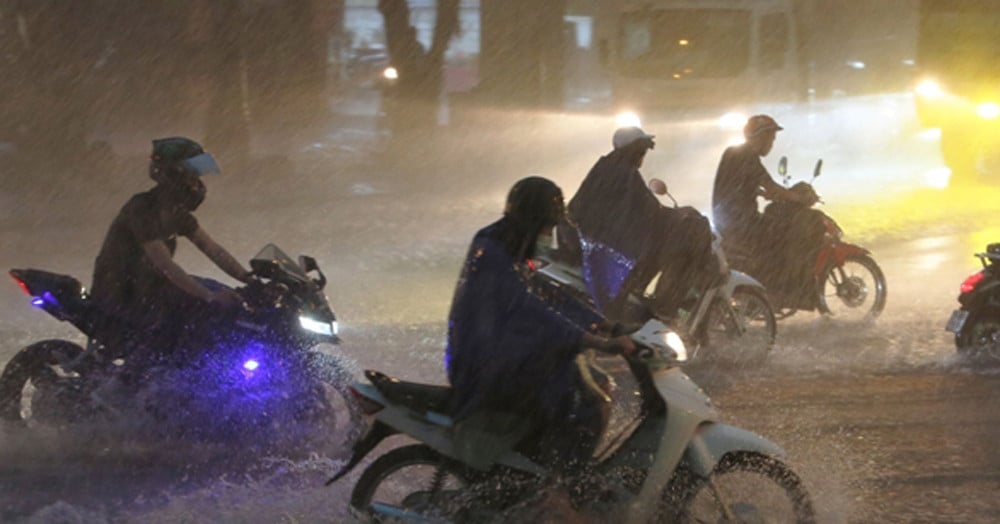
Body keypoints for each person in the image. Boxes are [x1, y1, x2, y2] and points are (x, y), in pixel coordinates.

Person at [445, 176, 635, 471]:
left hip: (501, 357)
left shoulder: (508, 243)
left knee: (594, 383)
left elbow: (548, 294)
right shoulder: (494, 252)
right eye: (547, 226)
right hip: (484, 368)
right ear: (532, 220)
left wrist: (603, 323)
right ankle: (557, 489)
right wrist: (594, 341)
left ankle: (548, 471)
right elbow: (530, 309)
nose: (549, 234)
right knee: (583, 405)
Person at [89, 136, 252, 362]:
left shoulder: (176, 213)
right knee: (199, 309)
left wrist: (249, 278)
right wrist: (207, 296)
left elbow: (213, 249)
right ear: (175, 173)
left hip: (149, 285)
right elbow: (164, 264)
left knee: (230, 298)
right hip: (122, 290)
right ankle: (143, 379)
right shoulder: (143, 208)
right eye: (193, 174)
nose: (197, 183)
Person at [566, 126, 715, 319]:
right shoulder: (623, 172)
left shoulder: (609, 166)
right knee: (683, 243)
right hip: (613, 243)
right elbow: (648, 209)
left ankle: (648, 303)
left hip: (598, 238)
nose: (643, 155)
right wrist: (679, 216)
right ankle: (665, 307)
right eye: (641, 151)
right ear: (633, 150)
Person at [711, 115, 821, 303]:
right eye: (770, 138)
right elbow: (769, 184)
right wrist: (798, 197)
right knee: (782, 238)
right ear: (759, 137)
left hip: (730, 218)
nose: (772, 144)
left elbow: (741, 185)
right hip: (740, 221)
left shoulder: (735, 153)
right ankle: (773, 291)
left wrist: (765, 194)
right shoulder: (746, 156)